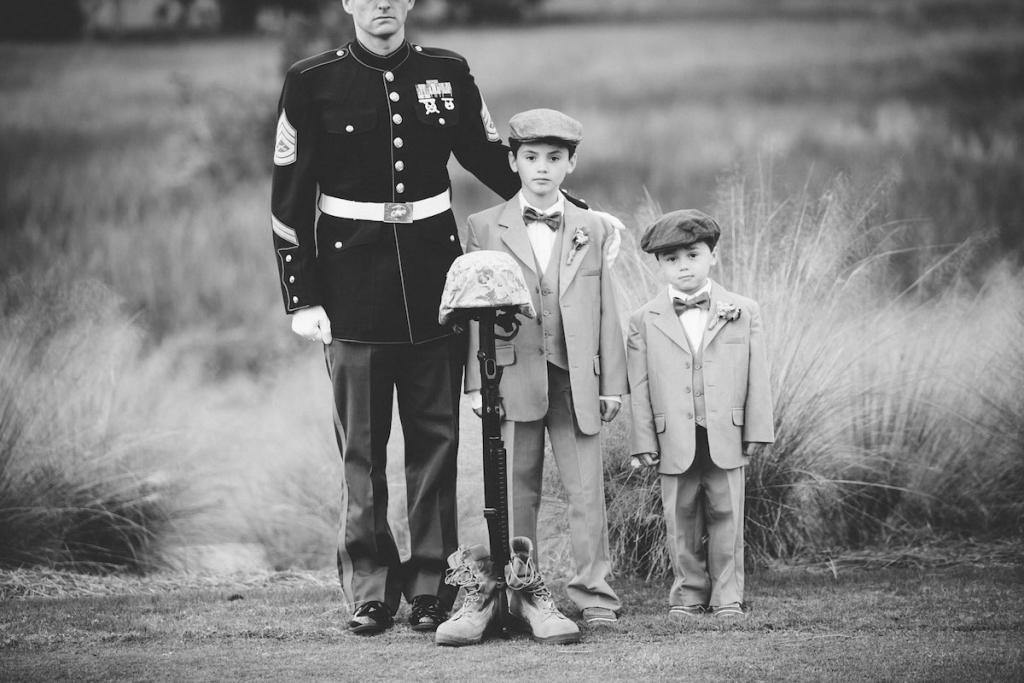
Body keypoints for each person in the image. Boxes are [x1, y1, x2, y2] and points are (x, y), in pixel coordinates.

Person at [270, 0, 524, 636]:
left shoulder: (447, 71)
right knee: (362, 448)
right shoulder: (312, 80)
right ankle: (371, 588)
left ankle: (432, 586)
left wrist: (569, 210)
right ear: (349, 4)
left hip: (434, 281)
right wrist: (301, 296)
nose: (381, 3)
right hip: (350, 285)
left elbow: (491, 160)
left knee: (436, 443)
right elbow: (289, 199)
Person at [447, 108, 627, 645]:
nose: (542, 168)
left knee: (585, 490)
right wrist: (477, 386)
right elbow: (473, 311)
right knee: (514, 490)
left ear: (571, 165)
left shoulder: (593, 229)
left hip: (577, 378)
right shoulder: (483, 226)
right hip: (511, 375)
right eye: (530, 158)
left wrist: (612, 381)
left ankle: (594, 594)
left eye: (554, 158)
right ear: (513, 162)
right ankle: (522, 593)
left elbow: (608, 309)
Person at [626, 209, 775, 619]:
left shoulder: (742, 310)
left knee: (728, 514)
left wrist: (756, 430)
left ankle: (728, 595)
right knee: (681, 516)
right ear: (659, 264)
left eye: (692, 255)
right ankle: (689, 593)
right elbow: (638, 386)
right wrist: (643, 440)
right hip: (672, 435)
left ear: (713, 256)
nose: (683, 266)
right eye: (671, 259)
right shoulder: (643, 319)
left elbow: (756, 375)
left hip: (725, 432)